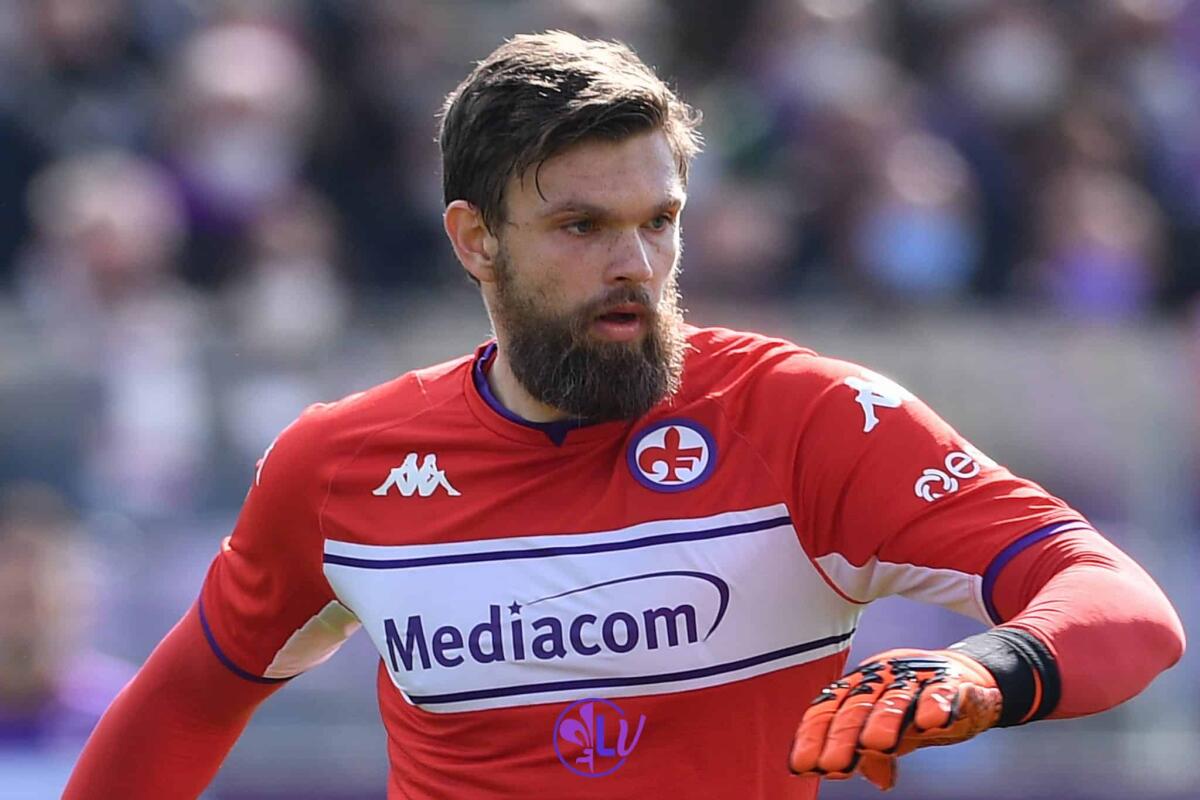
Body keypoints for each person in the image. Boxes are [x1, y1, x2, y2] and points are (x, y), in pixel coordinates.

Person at [65, 31, 1184, 799]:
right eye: (583, 226)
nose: (636, 264)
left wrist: (986, 668)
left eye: (660, 220)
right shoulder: (341, 466)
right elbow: (183, 706)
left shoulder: (802, 418)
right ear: (474, 238)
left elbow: (1124, 605)